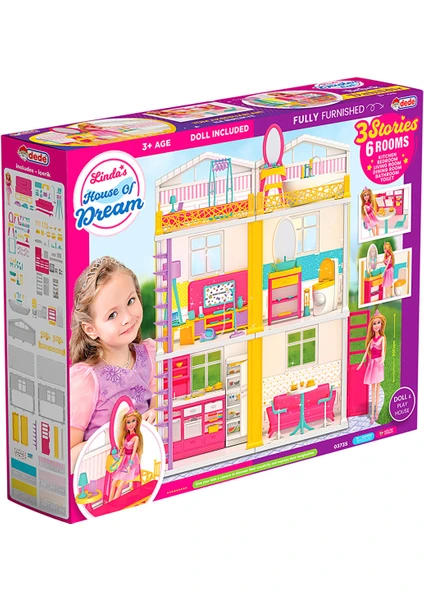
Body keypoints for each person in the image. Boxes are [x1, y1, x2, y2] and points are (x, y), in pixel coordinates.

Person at [69, 256, 156, 466]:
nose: (127, 318)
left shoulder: (150, 354)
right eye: (112, 315)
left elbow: (158, 403)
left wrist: (156, 413)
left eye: (131, 301)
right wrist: (113, 439)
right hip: (103, 473)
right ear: (91, 329)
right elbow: (67, 457)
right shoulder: (86, 379)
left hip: (147, 467)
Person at [357, 309, 386, 424]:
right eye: (374, 323)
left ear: (381, 324)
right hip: (372, 364)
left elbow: (383, 352)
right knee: (373, 389)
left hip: (378, 364)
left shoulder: (382, 339)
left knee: (377, 389)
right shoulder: (371, 341)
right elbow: (366, 354)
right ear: (372, 326)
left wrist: (382, 360)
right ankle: (373, 414)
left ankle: (376, 412)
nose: (376, 325)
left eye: (378, 323)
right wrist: (361, 363)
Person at [110, 410, 143, 500]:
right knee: (113, 483)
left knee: (121, 485)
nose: (131, 424)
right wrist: (119, 454)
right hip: (124, 460)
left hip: (131, 462)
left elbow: (134, 452)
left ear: (137, 422)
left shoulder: (136, 438)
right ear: (125, 424)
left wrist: (130, 465)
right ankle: (109, 502)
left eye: (133, 421)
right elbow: (124, 448)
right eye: (128, 422)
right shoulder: (126, 436)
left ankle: (115, 503)